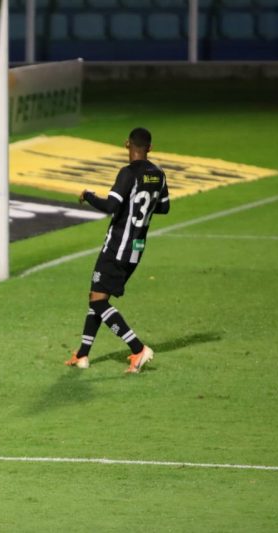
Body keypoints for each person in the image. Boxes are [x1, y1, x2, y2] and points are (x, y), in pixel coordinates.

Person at [65, 127, 170, 373]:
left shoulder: (127, 174)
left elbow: (111, 205)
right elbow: (164, 208)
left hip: (117, 247)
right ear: (150, 148)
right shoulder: (159, 174)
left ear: (127, 145)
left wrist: (88, 195)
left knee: (98, 301)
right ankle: (82, 355)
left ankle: (137, 348)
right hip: (136, 248)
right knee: (98, 297)